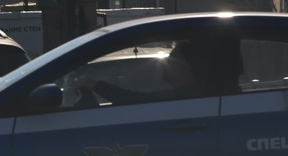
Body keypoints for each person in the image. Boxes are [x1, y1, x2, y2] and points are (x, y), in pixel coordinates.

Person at [76, 39, 210, 106]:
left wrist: (96, 85)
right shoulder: (186, 94)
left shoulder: (187, 99)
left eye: (172, 60)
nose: (165, 65)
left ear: (187, 66)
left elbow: (134, 99)